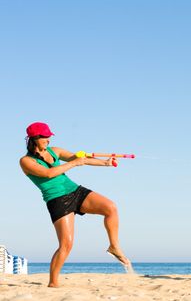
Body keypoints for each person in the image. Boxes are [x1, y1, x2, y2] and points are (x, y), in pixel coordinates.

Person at [19, 122, 132, 287]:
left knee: (110, 207)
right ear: (34, 138)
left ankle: (114, 246)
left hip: (75, 191)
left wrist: (105, 163)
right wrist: (74, 163)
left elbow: (80, 159)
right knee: (66, 245)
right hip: (57, 200)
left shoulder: (54, 150)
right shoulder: (25, 161)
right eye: (45, 137)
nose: (48, 139)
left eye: (49, 136)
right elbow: (49, 173)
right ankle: (53, 282)